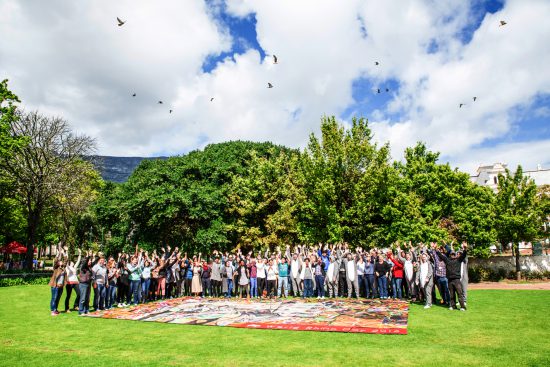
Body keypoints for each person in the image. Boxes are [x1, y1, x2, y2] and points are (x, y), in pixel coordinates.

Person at [436, 243, 468, 311]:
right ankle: (453, 306)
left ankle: (462, 307)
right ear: (449, 255)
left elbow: (464, 255)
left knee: (460, 293)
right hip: (450, 280)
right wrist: (436, 249)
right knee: (452, 294)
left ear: (455, 255)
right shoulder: (447, 261)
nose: (452, 255)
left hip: (456, 280)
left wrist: (465, 248)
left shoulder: (458, 260)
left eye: (453, 254)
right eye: (451, 254)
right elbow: (440, 256)